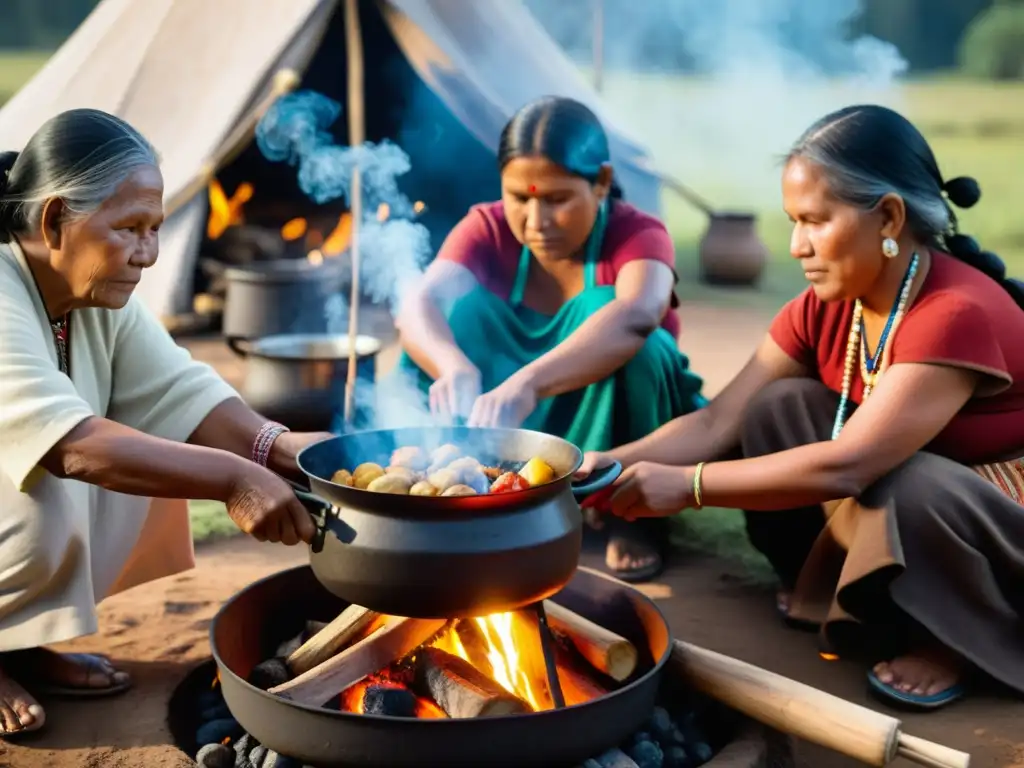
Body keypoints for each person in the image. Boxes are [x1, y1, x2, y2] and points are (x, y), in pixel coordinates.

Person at [575, 104, 1024, 711]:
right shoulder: (830, 302)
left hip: (999, 513)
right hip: (913, 488)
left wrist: (689, 486)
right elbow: (717, 421)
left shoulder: (954, 314)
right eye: (793, 221)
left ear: (888, 216)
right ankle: (833, 587)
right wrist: (599, 465)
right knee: (778, 407)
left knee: (912, 487)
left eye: (814, 221)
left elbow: (848, 466)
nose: (795, 246)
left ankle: (955, 639)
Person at [0, 108, 333, 737]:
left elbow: (181, 392)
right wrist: (235, 479)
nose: (149, 254)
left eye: (154, 230)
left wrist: (279, 449)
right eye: (131, 229)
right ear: (53, 221)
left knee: (155, 454)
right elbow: (70, 447)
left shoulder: (89, 287)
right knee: (53, 487)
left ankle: (14, 643)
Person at [394, 96, 706, 582]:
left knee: (627, 331)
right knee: (464, 313)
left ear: (601, 182)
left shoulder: (637, 232)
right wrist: (452, 365)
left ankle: (627, 510)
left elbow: (639, 313)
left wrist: (530, 382)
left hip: (608, 407)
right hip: (510, 413)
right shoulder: (487, 226)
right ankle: (468, 484)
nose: (536, 221)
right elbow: (418, 304)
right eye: (520, 197)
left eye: (556, 199)